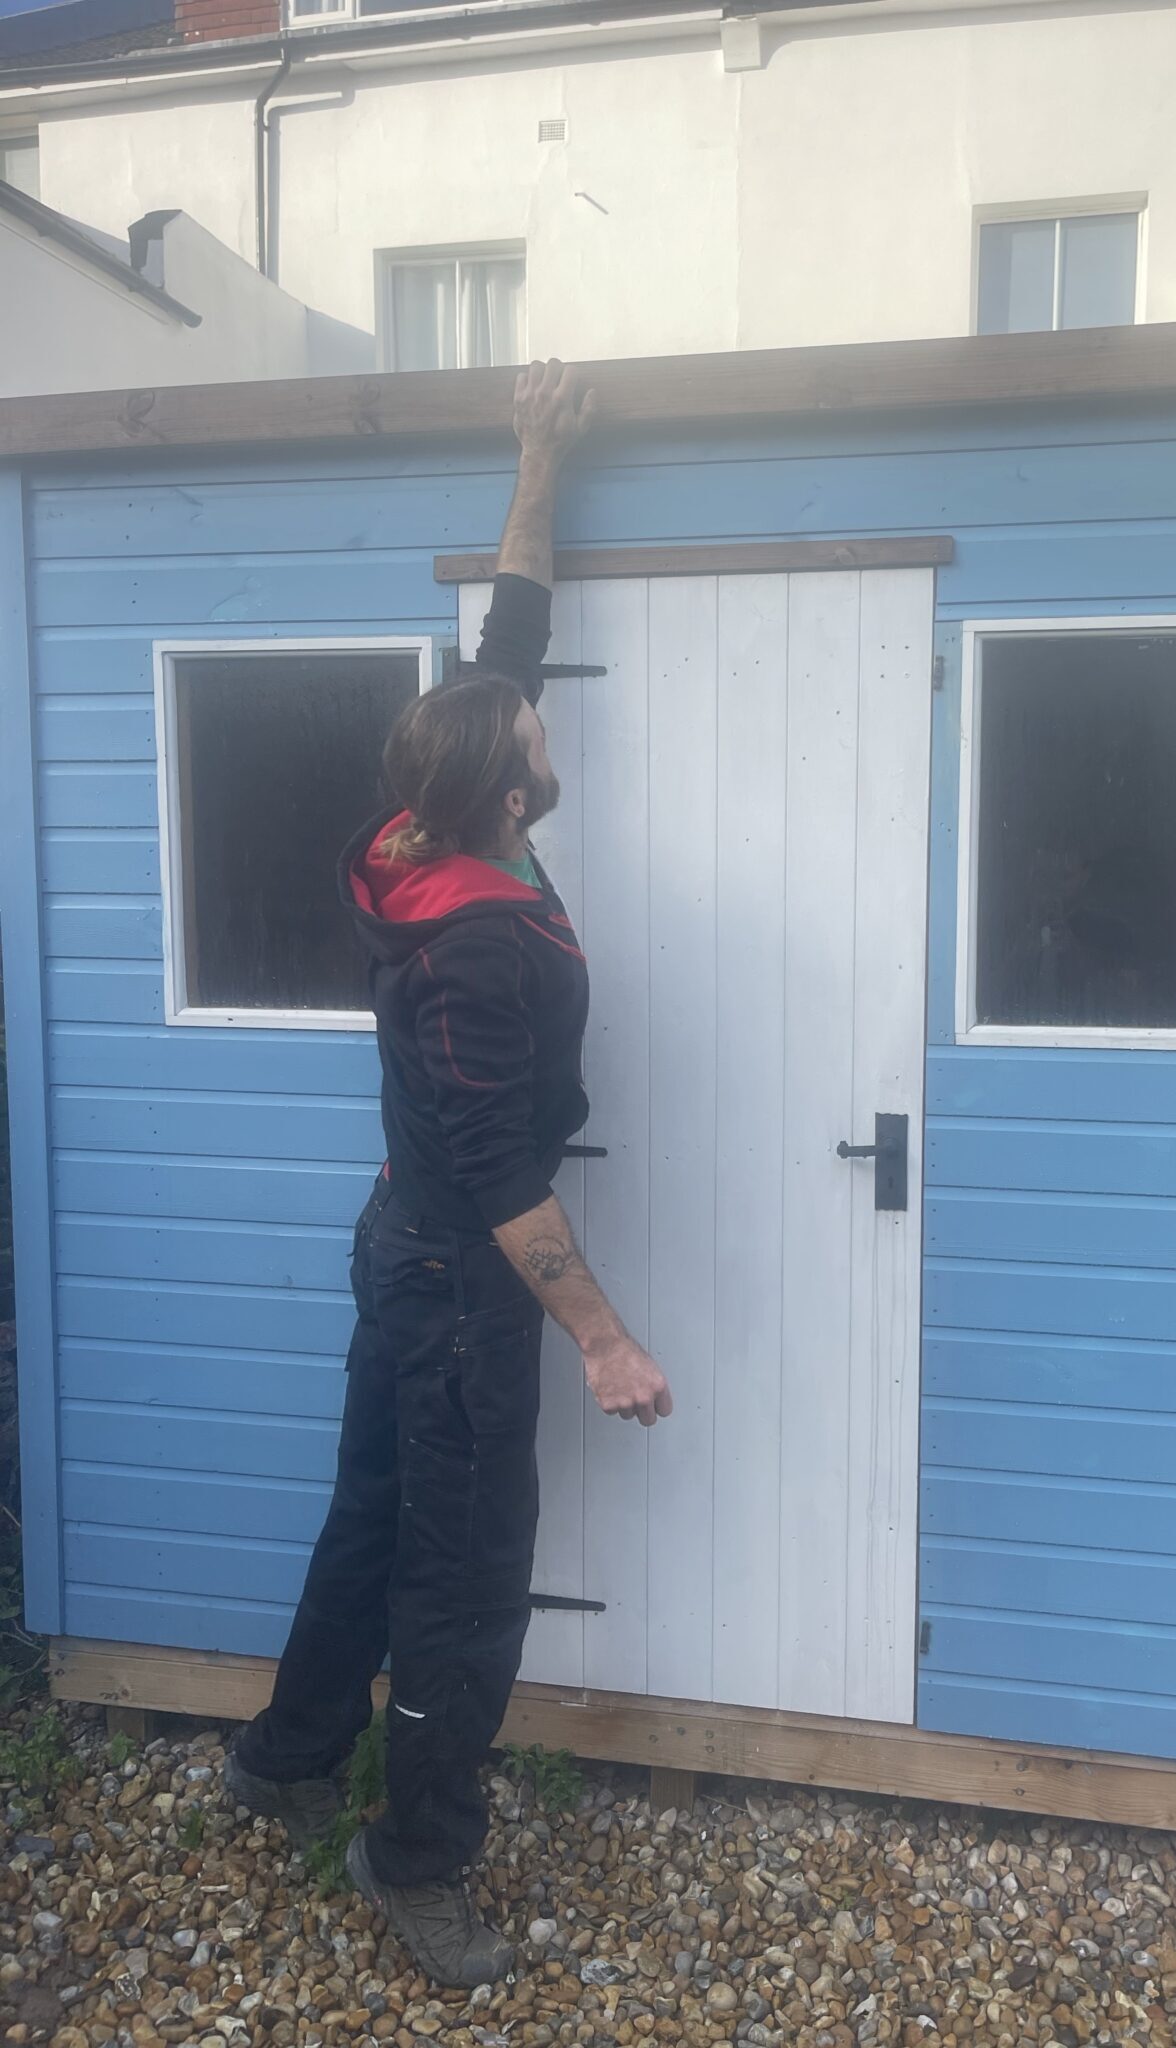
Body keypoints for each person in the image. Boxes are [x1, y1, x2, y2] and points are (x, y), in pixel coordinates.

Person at [225, 361, 672, 1989]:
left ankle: (279, 1763)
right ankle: (417, 1861)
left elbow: (506, 642)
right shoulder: (480, 941)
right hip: (459, 1271)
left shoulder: (419, 842)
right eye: (536, 732)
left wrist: (537, 459)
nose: (544, 712)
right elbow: (501, 1175)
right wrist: (604, 1340)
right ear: (510, 787)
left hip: (397, 1241)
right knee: (465, 1577)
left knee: (369, 1516)